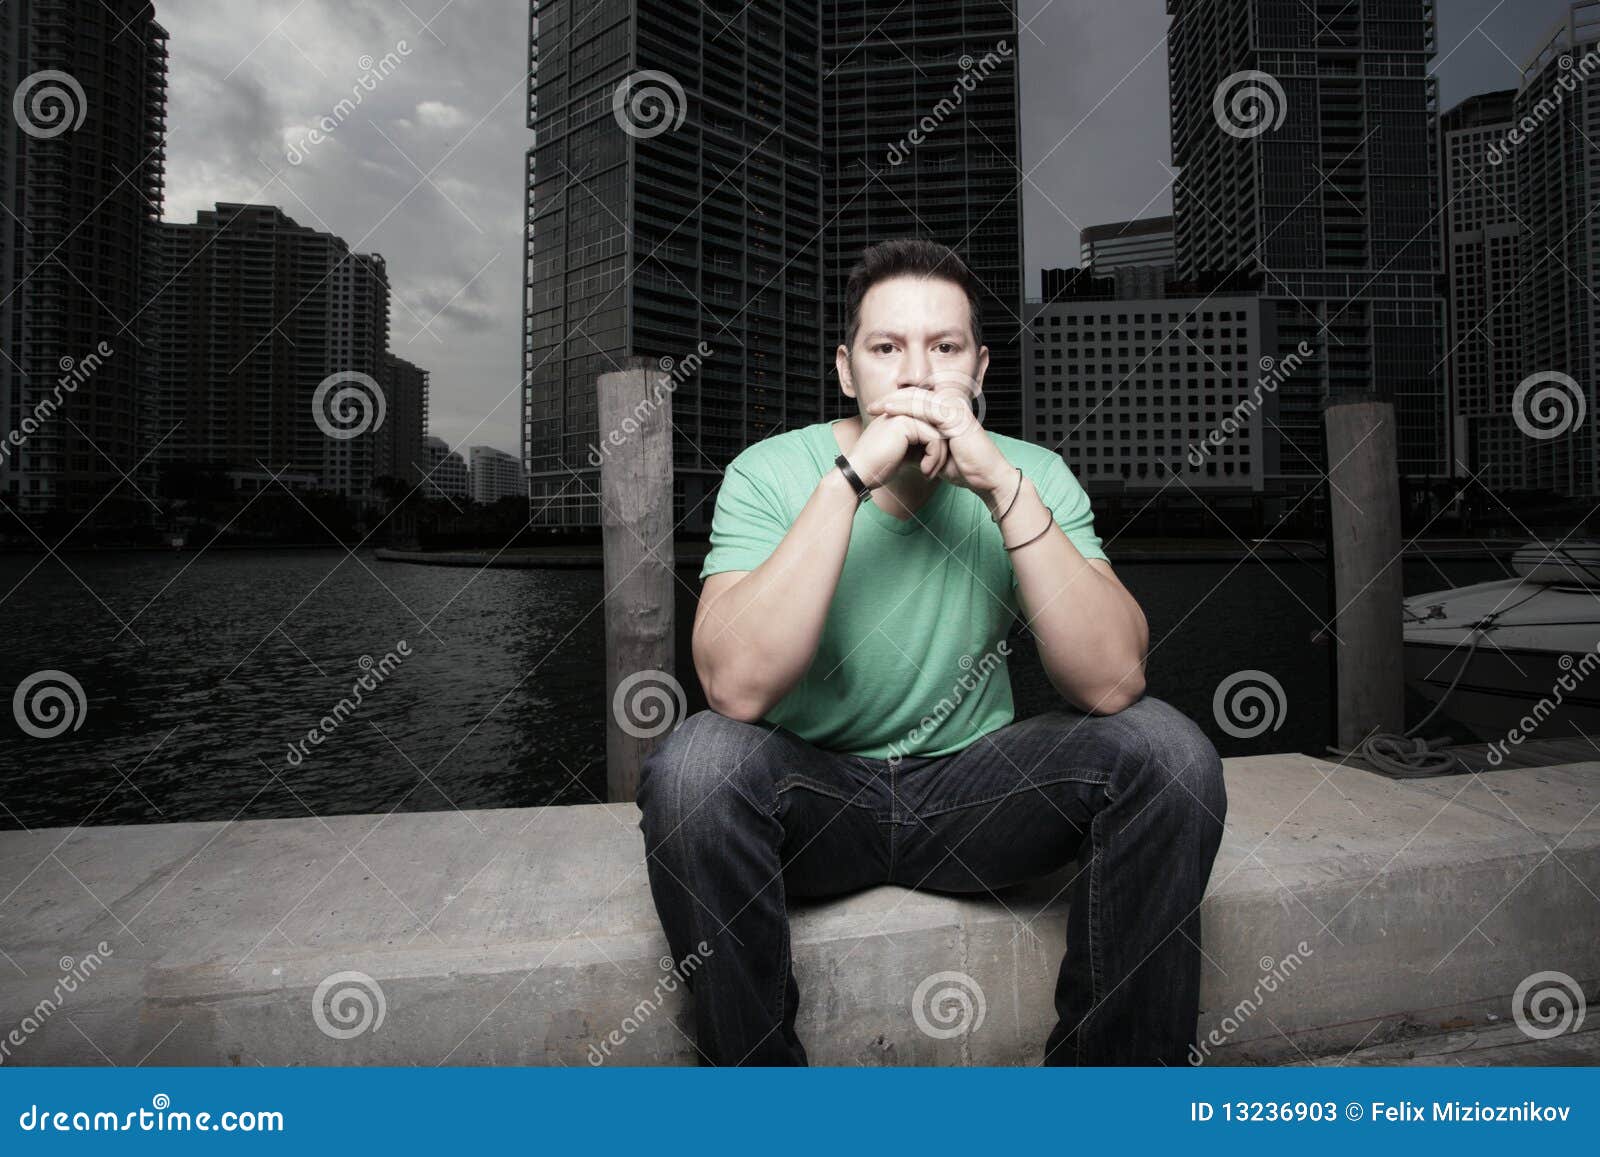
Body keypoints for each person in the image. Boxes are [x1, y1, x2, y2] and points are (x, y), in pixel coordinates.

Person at [636, 238, 1227, 1065]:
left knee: (1169, 751)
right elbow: (734, 688)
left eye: (944, 348)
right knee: (696, 766)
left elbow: (1113, 679)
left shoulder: (1031, 471)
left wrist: (999, 487)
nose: (916, 375)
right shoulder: (770, 471)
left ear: (978, 368)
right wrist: (849, 482)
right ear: (848, 370)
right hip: (814, 796)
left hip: (971, 797)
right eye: (887, 349)